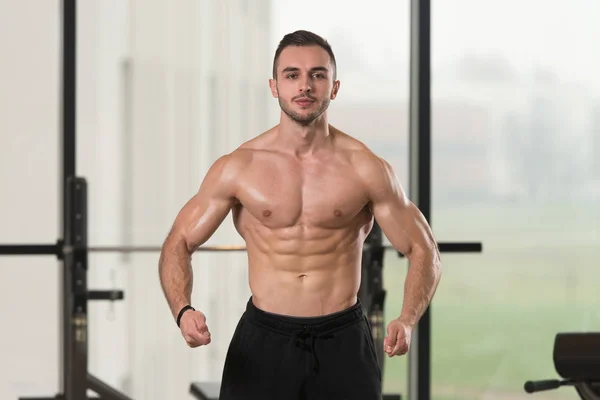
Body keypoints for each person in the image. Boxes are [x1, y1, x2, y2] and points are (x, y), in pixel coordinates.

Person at [158, 30, 442, 400]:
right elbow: (178, 241)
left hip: (343, 340)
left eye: (317, 75)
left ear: (334, 87)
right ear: (274, 86)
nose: (304, 86)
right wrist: (183, 310)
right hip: (263, 341)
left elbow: (425, 250)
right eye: (292, 75)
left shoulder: (365, 168)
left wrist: (407, 319)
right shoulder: (239, 167)